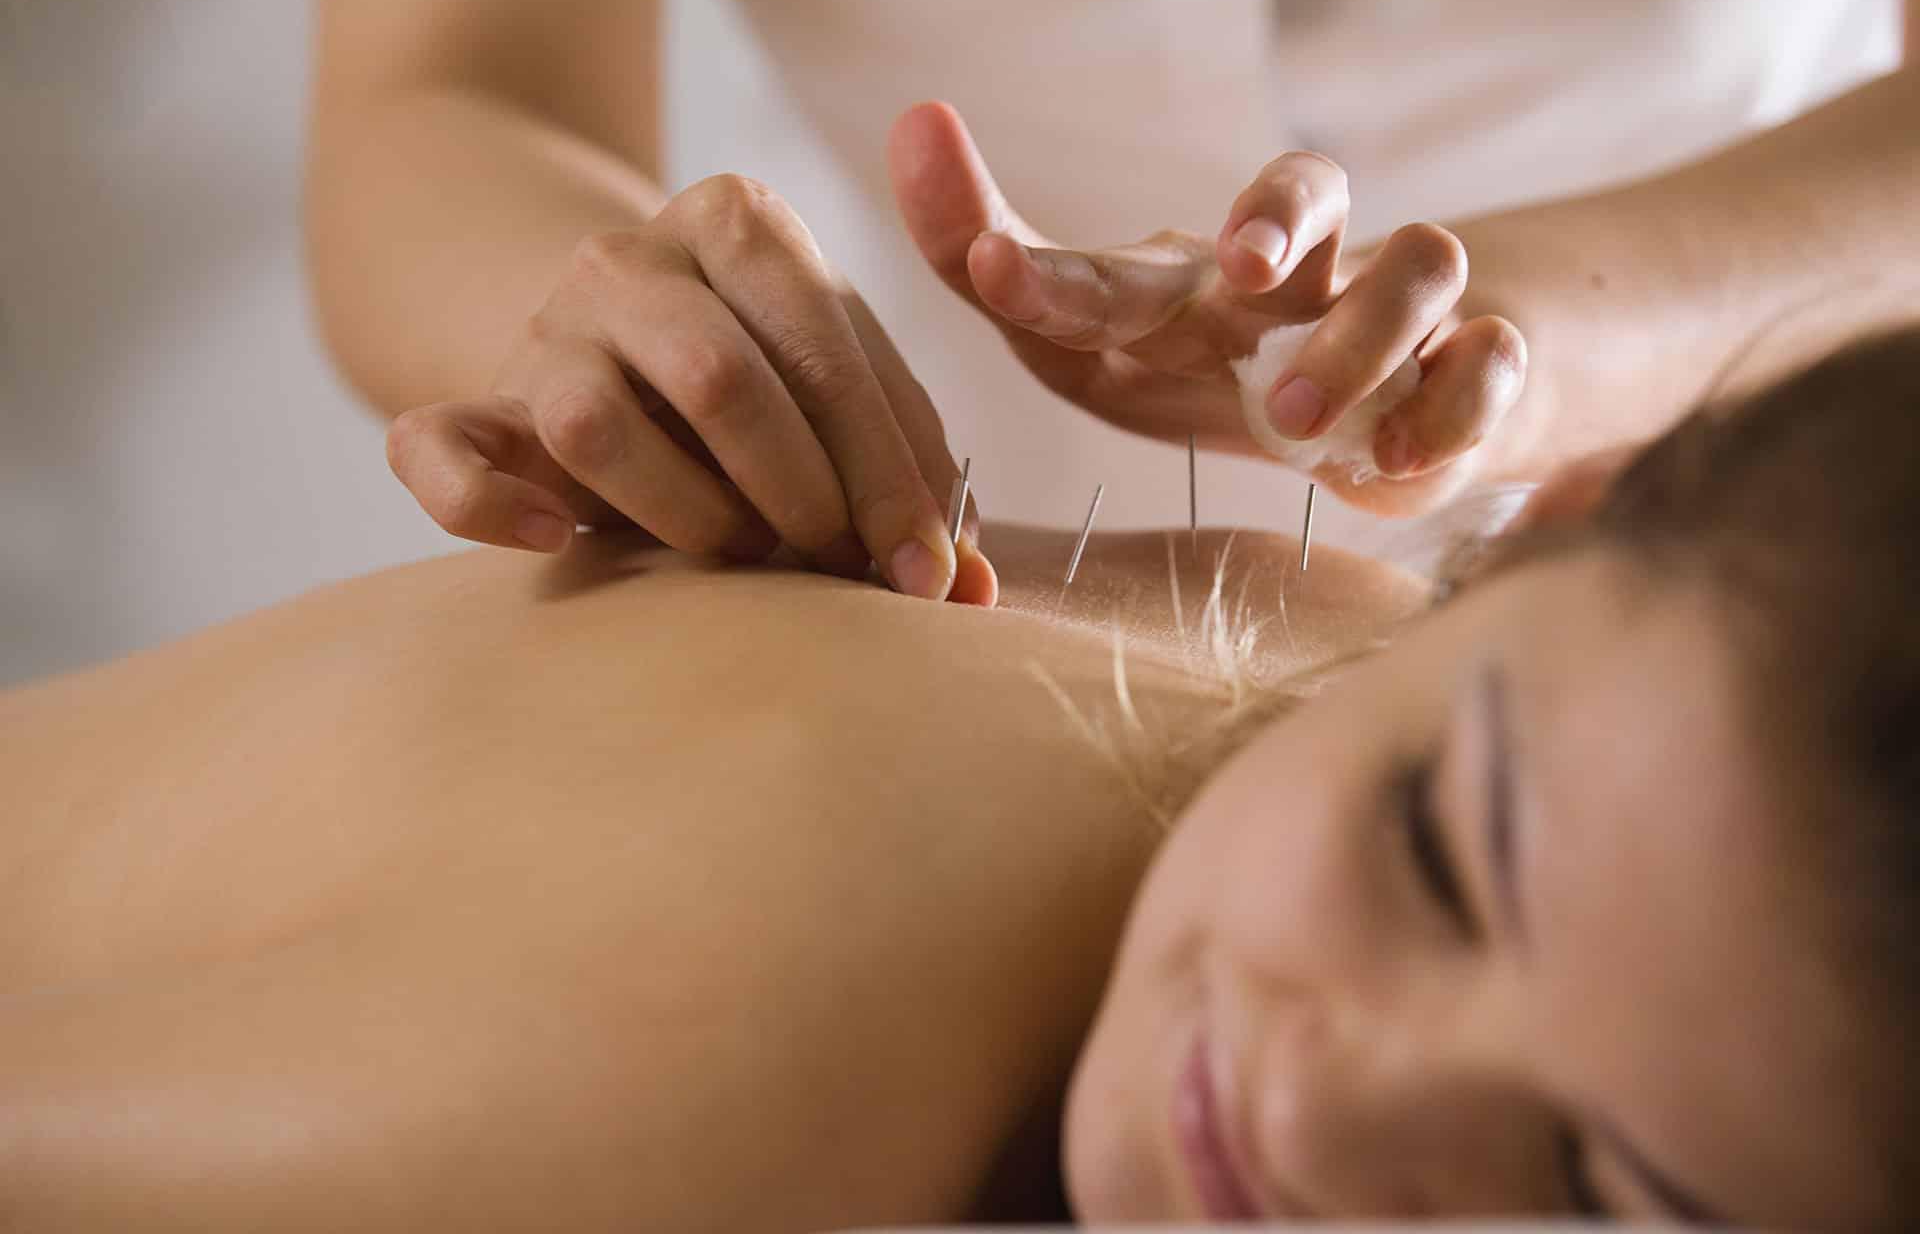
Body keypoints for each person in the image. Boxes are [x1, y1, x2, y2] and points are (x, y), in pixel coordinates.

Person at [2, 327, 1917, 1228]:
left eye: (1592, 1203)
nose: (1337, 1120)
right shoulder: (718, 1076)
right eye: (1434, 851)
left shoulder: (1341, 645)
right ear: (1518, 541)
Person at [306, 0, 1917, 598]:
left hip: (1779, 546)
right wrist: (640, 337)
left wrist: (1489, 344)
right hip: (935, 588)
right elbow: (452, 86)